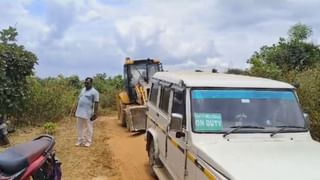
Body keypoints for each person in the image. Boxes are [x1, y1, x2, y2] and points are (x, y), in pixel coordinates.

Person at [74, 77, 99, 147]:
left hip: (88, 112)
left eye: (87, 83)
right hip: (79, 111)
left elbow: (96, 103)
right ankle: (80, 140)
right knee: (79, 127)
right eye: (85, 83)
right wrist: (75, 108)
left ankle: (88, 141)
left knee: (89, 127)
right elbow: (79, 99)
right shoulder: (82, 90)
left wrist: (95, 113)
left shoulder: (95, 92)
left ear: (91, 83)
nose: (86, 84)